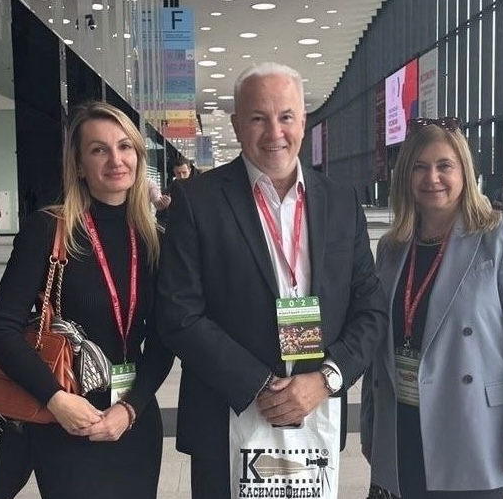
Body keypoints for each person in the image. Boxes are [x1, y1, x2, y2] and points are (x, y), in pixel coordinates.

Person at [155, 62, 388, 498]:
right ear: (236, 124)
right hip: (226, 417)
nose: (274, 132)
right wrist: (261, 386)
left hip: (316, 415)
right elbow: (178, 314)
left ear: (304, 121)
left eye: (286, 116)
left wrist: (325, 380)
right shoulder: (197, 201)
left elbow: (370, 307)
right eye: (258, 118)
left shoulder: (340, 200)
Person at [0, 101, 174, 498]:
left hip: (134, 420)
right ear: (80, 164)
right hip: (65, 421)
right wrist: (56, 401)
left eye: (125, 146)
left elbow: (163, 339)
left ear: (138, 156)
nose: (116, 160)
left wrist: (130, 408)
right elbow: (1, 330)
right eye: (99, 149)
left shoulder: (154, 241)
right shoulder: (48, 230)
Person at [361, 118, 503, 499]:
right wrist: (371, 426)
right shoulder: (392, 248)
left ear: (464, 172)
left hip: (473, 429)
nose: (432, 178)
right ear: (406, 176)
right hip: (401, 425)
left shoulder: (502, 237)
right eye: (420, 167)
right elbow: (379, 350)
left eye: (444, 165)